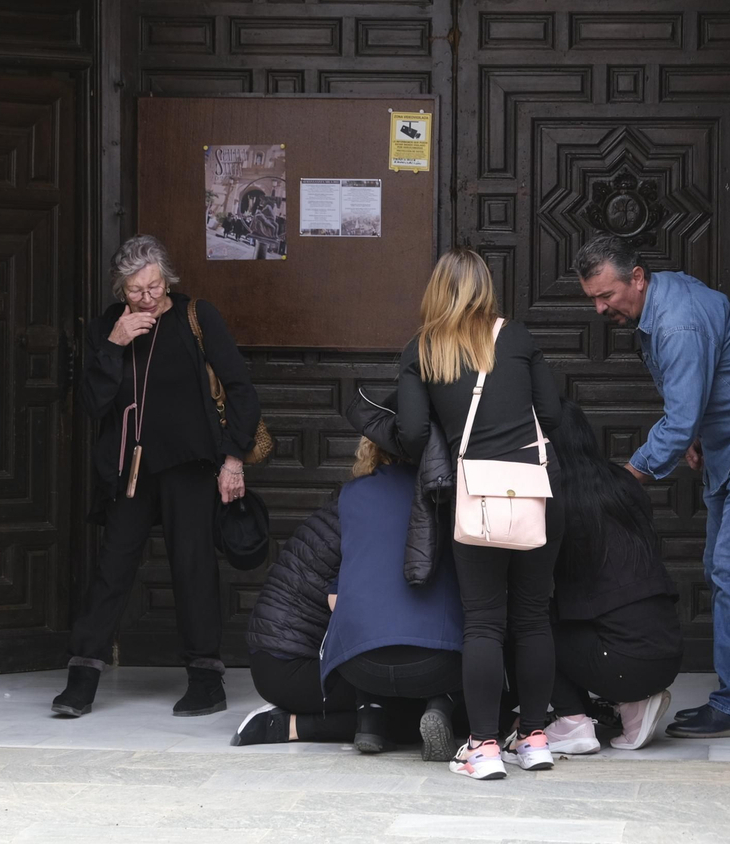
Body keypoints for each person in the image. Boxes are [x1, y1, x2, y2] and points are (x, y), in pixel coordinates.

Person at [574, 234, 730, 739]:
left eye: (606, 295)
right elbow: (699, 391)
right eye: (593, 297)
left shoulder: (676, 321)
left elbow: (677, 419)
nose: (599, 308)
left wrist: (627, 477)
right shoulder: (664, 299)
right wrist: (700, 433)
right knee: (726, 569)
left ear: (636, 278)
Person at [53, 234, 261, 718]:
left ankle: (207, 682)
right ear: (119, 291)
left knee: (192, 568)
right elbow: (91, 404)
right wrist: (114, 345)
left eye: (153, 287)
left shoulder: (196, 317)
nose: (147, 298)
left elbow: (241, 389)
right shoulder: (110, 327)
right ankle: (81, 679)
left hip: (190, 466)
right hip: (130, 471)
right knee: (112, 569)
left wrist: (233, 460)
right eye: (134, 291)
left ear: (166, 277)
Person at [396, 248, 564, 780]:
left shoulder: (423, 349)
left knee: (484, 623)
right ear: (485, 287)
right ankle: (536, 739)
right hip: (538, 488)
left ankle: (484, 748)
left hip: (477, 492)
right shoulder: (517, 338)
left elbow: (413, 433)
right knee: (534, 615)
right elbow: (554, 415)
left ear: (437, 288)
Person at [238, 434, 465, 760]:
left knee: (401, 680)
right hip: (298, 666)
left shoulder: (357, 497)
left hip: (274, 662)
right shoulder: (419, 505)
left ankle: (366, 719)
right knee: (450, 708)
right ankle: (296, 727)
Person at [541, 400, 682, 753]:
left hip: (623, 661)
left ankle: (571, 721)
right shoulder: (621, 483)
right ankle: (632, 707)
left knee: (526, 620)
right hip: (668, 650)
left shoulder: (554, 498)